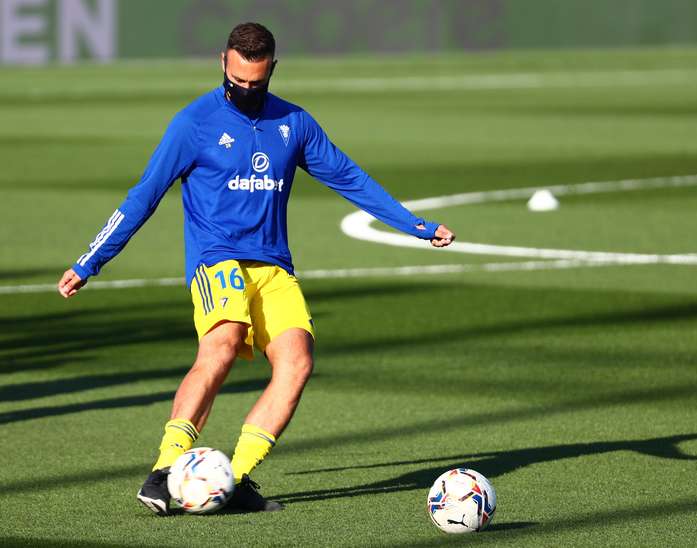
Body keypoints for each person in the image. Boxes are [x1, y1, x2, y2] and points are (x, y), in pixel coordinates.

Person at [57, 22, 455, 516]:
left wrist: (417, 226)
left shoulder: (294, 123)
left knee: (298, 362)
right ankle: (163, 473)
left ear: (272, 70)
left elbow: (351, 179)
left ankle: (236, 478)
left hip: (273, 267)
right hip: (215, 258)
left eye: (256, 83)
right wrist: (90, 260)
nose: (245, 91)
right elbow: (144, 196)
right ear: (223, 63)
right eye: (237, 81)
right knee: (222, 344)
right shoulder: (193, 123)